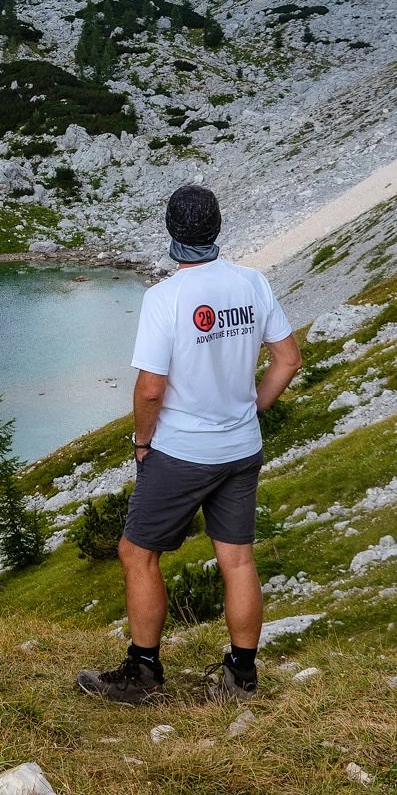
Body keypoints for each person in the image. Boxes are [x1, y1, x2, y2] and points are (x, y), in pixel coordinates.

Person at [76, 184, 301, 704]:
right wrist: (254, 407)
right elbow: (288, 359)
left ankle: (144, 673)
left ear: (172, 231)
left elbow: (151, 387)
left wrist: (140, 442)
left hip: (181, 451)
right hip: (241, 448)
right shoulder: (253, 283)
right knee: (238, 559)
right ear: (217, 227)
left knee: (137, 552)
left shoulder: (165, 297)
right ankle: (242, 676)